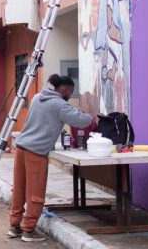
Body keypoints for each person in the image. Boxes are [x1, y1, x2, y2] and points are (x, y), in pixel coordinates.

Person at [8, 74, 94, 242]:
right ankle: (29, 230)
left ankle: (14, 225)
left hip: (21, 147)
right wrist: (91, 117)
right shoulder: (59, 105)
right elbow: (82, 121)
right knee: (35, 192)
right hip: (36, 152)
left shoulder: (37, 97)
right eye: (71, 92)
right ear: (66, 90)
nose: (71, 95)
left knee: (19, 189)